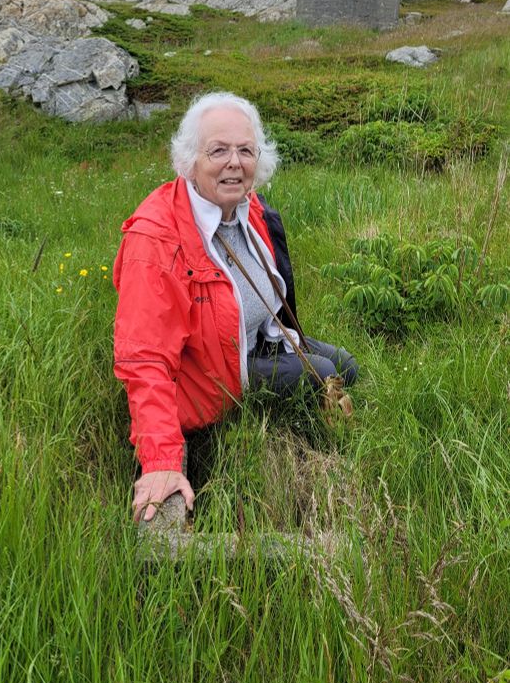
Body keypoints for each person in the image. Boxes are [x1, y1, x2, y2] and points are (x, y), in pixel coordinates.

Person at [113, 92, 358, 521]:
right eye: (219, 150)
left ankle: (316, 428)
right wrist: (162, 461)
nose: (234, 162)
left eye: (245, 150)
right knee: (322, 376)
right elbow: (144, 358)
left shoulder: (249, 209)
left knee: (347, 367)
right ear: (190, 159)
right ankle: (295, 455)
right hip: (211, 375)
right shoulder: (155, 240)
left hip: (257, 340)